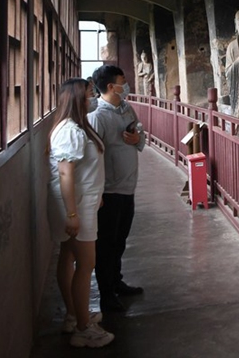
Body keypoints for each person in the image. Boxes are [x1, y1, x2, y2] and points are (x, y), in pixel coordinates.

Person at [47, 78, 114, 348]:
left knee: (68, 256)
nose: (93, 97)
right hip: (76, 206)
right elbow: (66, 172)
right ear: (77, 99)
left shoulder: (74, 127)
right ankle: (84, 329)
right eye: (89, 94)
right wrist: (73, 214)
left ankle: (75, 315)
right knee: (86, 265)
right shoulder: (71, 130)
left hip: (79, 203)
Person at [89, 65, 146, 312]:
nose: (127, 84)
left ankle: (116, 280)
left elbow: (140, 136)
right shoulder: (97, 117)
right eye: (123, 81)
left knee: (120, 240)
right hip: (109, 192)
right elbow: (93, 157)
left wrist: (138, 139)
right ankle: (105, 293)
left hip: (128, 187)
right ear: (111, 86)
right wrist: (98, 192)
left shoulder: (126, 108)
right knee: (106, 244)